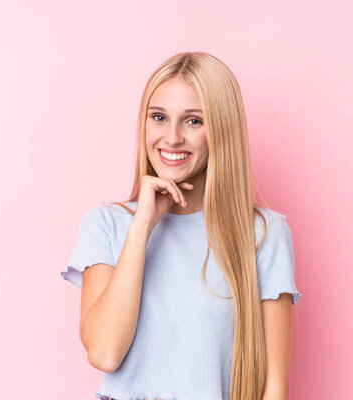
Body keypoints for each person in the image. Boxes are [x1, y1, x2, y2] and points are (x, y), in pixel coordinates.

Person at [61, 51, 302, 400]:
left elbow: (274, 388)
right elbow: (104, 353)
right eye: (158, 117)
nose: (172, 138)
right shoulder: (107, 225)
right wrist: (142, 224)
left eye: (193, 121)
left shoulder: (265, 233)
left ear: (222, 130)